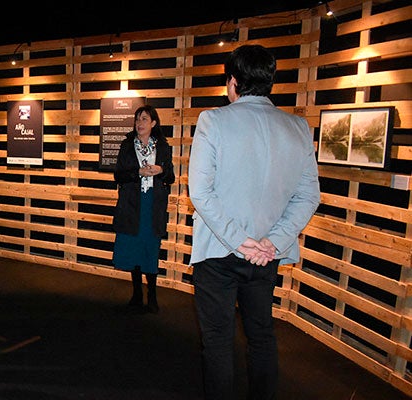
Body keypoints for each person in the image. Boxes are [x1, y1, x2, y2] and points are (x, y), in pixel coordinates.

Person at [188, 44, 321, 400]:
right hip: (266, 256)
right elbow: (308, 196)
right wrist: (271, 243)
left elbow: (200, 192)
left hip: (218, 252)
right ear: (270, 81)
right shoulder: (297, 127)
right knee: (261, 336)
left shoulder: (213, 120)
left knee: (218, 342)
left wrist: (239, 241)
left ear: (232, 82)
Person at [111, 105, 175, 314]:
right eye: (137, 119)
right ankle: (137, 294)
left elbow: (171, 177)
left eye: (144, 119)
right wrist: (137, 171)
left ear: (154, 123)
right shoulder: (127, 145)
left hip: (153, 204)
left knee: (150, 249)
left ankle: (153, 296)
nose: (139, 123)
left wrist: (161, 170)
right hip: (132, 204)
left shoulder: (163, 147)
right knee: (134, 249)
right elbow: (118, 175)